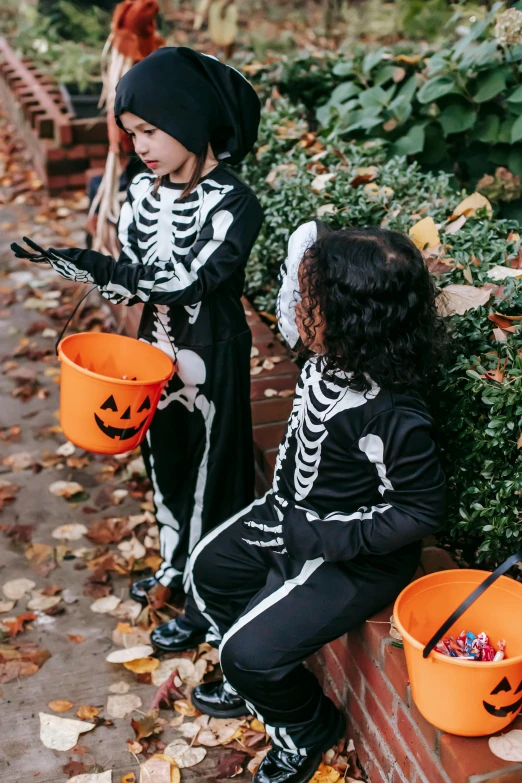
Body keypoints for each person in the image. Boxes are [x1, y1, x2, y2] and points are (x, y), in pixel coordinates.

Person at [150, 222, 448, 783]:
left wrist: (314, 536)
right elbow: (294, 292)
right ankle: (257, 682)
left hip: (355, 556)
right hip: (289, 517)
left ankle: (307, 727)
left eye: (308, 299)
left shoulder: (391, 415)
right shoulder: (328, 358)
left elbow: (421, 512)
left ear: (349, 317)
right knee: (207, 570)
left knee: (248, 653)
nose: (294, 306)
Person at [11, 48, 264, 617]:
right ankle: (175, 561)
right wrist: (95, 269)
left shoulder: (235, 204)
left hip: (212, 352)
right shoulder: (141, 193)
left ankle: (209, 590)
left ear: (190, 119)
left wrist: (106, 270)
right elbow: (133, 272)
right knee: (164, 458)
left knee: (214, 472)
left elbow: (192, 279)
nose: (140, 146)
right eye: (132, 135)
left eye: (150, 131)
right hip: (152, 352)